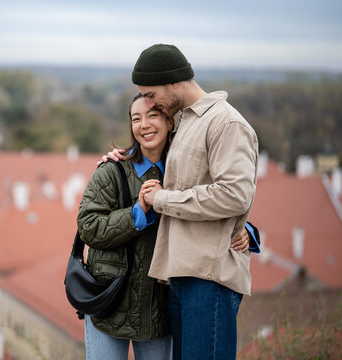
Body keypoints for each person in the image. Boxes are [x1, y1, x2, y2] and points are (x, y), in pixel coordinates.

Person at [77, 93, 256, 360]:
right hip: (109, 301)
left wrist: (246, 230)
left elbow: (215, 202)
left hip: (156, 309)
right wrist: (137, 213)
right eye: (136, 119)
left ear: (170, 121)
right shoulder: (112, 171)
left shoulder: (186, 171)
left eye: (152, 115)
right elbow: (88, 227)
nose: (144, 124)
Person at [133, 44, 258, 360]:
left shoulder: (226, 123)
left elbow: (234, 194)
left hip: (209, 278)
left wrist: (162, 199)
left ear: (174, 82)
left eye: (150, 94)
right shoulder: (185, 121)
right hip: (181, 274)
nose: (149, 103)